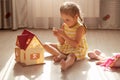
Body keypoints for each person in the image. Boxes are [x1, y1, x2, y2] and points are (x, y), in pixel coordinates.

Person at [43, 1, 88, 71]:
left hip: (77, 48)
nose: (65, 22)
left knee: (71, 56)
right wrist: (58, 36)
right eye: (63, 19)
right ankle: (61, 55)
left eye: (67, 19)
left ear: (76, 17)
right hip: (66, 46)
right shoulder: (64, 25)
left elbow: (75, 44)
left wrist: (63, 35)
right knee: (45, 45)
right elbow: (62, 42)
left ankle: (66, 64)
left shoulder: (80, 28)